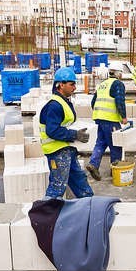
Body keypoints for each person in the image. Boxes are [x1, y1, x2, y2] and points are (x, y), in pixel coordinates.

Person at [39, 67, 94, 199]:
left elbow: (67, 124)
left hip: (67, 149)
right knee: (58, 186)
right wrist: (75, 135)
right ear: (61, 85)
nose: (74, 87)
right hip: (57, 152)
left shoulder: (64, 102)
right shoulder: (54, 105)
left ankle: (89, 203)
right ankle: (46, 214)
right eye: (71, 84)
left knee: (79, 179)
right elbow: (52, 131)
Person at [86, 62, 128, 180]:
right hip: (111, 120)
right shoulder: (118, 84)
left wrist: (100, 114)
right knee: (116, 145)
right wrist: (123, 117)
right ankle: (115, 171)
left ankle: (93, 164)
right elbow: (119, 101)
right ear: (118, 73)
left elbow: (93, 102)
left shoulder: (103, 84)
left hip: (100, 119)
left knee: (101, 142)